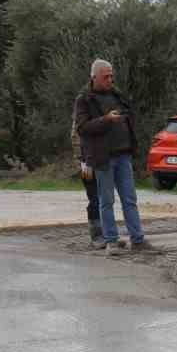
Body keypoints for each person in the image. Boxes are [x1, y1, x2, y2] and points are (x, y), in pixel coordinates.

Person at [74, 58, 153, 256]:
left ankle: (138, 240)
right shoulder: (84, 99)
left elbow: (130, 115)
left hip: (123, 154)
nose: (110, 79)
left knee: (129, 199)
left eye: (111, 76)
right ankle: (111, 241)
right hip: (103, 158)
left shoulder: (117, 94)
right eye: (106, 76)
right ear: (94, 77)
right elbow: (82, 128)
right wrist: (106, 120)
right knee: (106, 200)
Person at [71, 102, 101, 248]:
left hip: (101, 162)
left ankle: (106, 233)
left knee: (104, 198)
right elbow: (76, 141)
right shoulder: (80, 120)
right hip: (86, 165)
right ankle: (96, 235)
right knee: (94, 197)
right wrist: (84, 162)